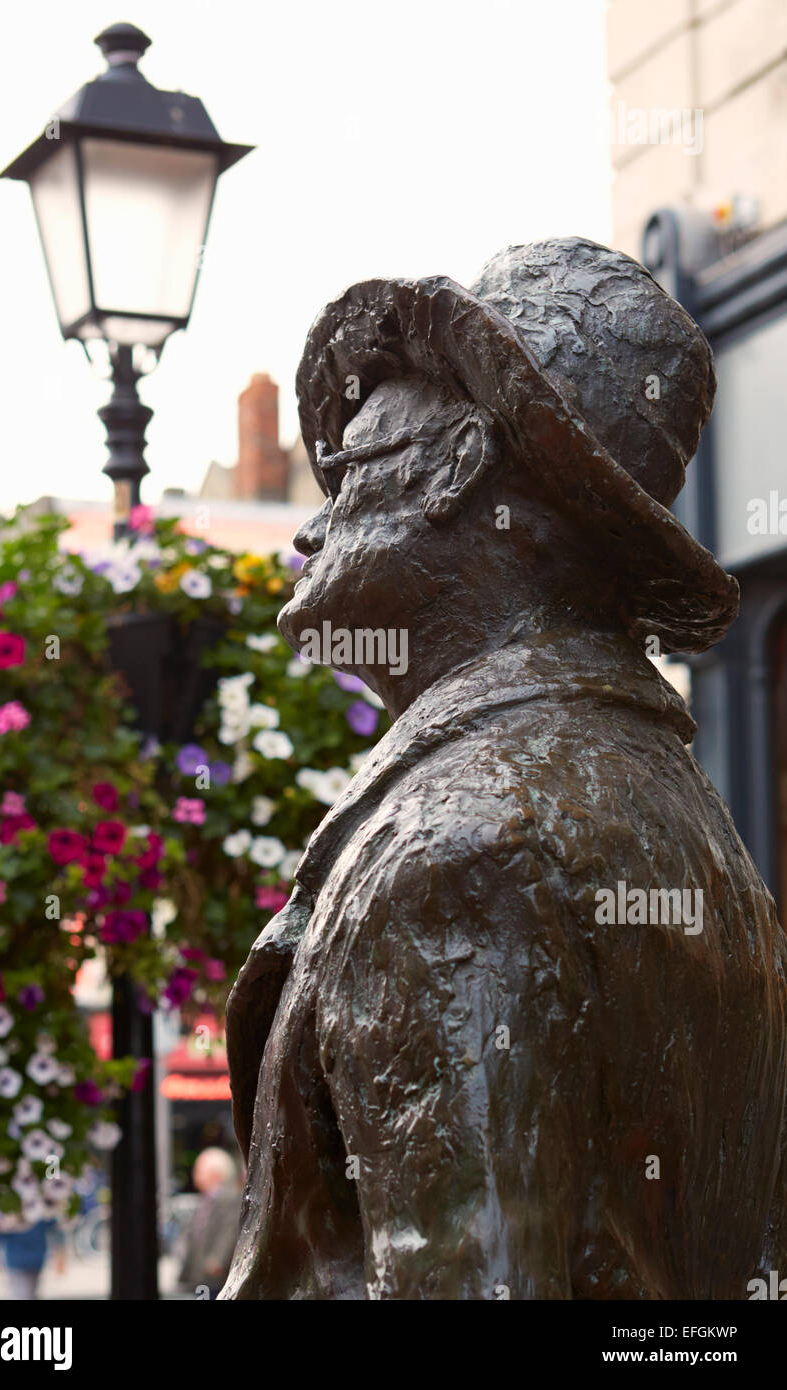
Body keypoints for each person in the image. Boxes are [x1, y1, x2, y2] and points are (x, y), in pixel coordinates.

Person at [219, 238, 787, 1300]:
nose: (308, 526)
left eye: (345, 471)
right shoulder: (689, 830)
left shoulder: (460, 846)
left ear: (457, 463)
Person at [177, 1148, 242, 1297]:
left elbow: (229, 1228)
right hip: (201, 1273)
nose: (195, 1174)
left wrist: (217, 1259)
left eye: (199, 1170)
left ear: (215, 1173)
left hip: (215, 1275)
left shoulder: (230, 1196)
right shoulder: (206, 1198)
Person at [0, 1216, 66, 1300]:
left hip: (30, 1258)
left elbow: (54, 1225)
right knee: (26, 1293)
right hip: (20, 1259)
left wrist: (60, 1253)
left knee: (29, 1292)